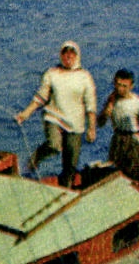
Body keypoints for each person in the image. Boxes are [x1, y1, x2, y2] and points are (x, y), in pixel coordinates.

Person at [14, 41, 97, 188]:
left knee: (70, 164)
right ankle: (35, 159)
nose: (68, 57)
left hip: (75, 124)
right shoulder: (52, 73)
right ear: (61, 55)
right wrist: (25, 114)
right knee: (54, 145)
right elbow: (41, 97)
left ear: (77, 56)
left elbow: (91, 105)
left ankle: (66, 189)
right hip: (54, 117)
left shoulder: (85, 77)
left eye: (71, 54)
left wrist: (91, 128)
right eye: (65, 54)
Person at [101, 68, 139, 180]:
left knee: (136, 175)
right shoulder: (111, 100)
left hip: (134, 140)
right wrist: (105, 113)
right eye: (118, 85)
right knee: (117, 175)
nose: (120, 89)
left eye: (124, 86)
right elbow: (101, 123)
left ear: (131, 86)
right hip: (118, 139)